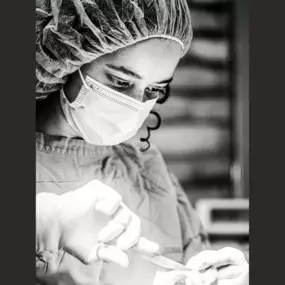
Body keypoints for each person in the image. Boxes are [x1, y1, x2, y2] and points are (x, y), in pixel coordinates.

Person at [36, 0, 249, 285]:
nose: (136, 105)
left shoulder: (145, 164)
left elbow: (193, 258)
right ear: (66, 59)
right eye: (120, 82)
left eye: (154, 89)